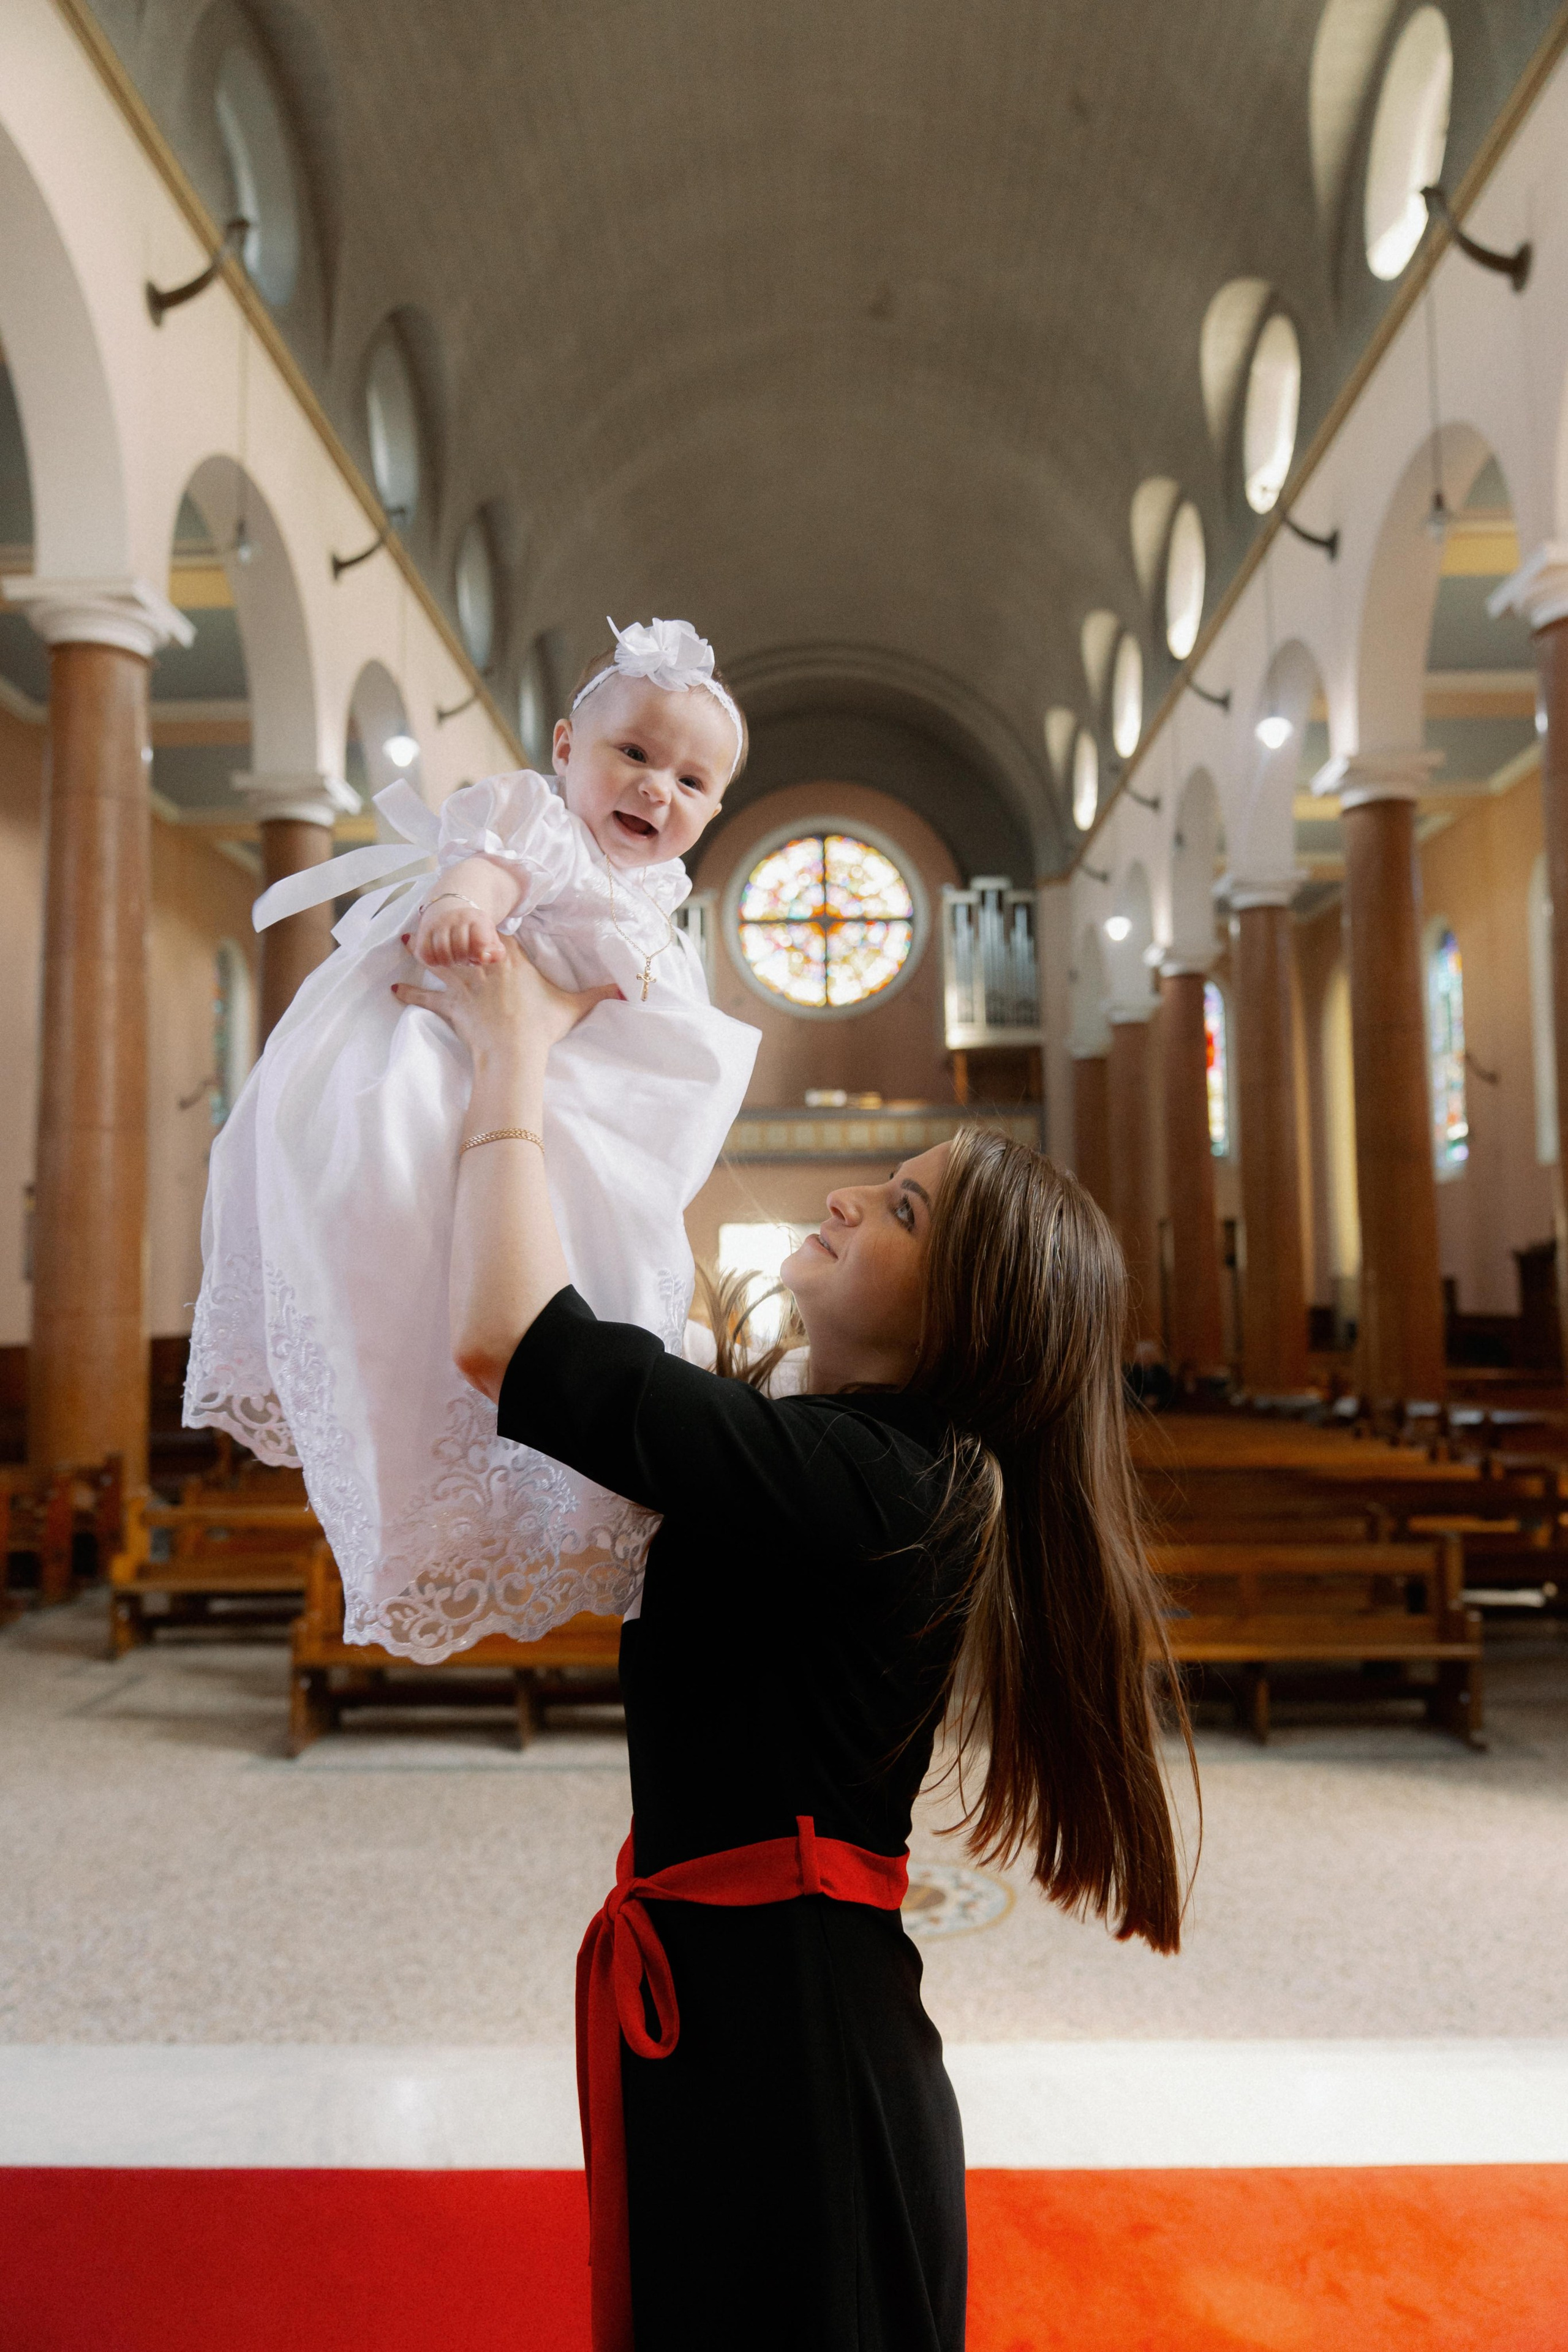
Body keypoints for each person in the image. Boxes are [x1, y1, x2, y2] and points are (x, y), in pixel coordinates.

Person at [392, 935, 1197, 2352]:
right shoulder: (847, 1458)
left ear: (967, 1318)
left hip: (794, 2049)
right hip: (748, 1996)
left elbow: (510, 1337)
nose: (843, 1196)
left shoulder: (880, 1482)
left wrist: (509, 1047)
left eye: (899, 1208)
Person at [183, 619, 759, 1662]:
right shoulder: (536, 822)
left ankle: (566, 1466)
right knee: (404, 1184)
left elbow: (613, 1004)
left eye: (691, 780)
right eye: (634, 753)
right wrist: (458, 905)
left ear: (714, 809)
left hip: (561, 1085)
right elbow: (485, 870)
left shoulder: (656, 901)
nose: (656, 789)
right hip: (446, 1050)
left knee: (610, 1248)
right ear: (567, 750)